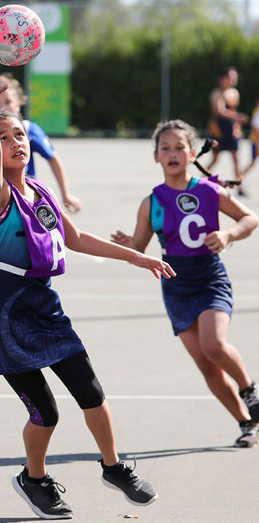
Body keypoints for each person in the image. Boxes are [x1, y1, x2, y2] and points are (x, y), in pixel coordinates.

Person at [0, 64, 175, 520]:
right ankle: (34, 478)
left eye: (20, 136)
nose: (16, 143)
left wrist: (137, 257)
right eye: (4, 138)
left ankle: (114, 466)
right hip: (5, 310)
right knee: (46, 411)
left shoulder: (41, 191)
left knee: (91, 390)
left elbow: (77, 237)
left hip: (43, 303)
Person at [112, 119, 259, 449]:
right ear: (156, 157)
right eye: (165, 148)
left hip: (209, 279)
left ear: (192, 153)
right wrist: (127, 245)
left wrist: (227, 234)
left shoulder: (209, 190)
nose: (173, 153)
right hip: (176, 287)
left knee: (213, 343)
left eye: (180, 147)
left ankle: (249, 390)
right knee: (207, 367)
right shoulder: (152, 203)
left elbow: (250, 218)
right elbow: (139, 248)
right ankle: (247, 423)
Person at [0, 74, 81, 213]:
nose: (2, 107)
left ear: (18, 104)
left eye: (8, 101)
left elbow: (52, 158)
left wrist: (65, 194)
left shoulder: (28, 129)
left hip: (26, 199)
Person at [206, 66, 249, 195]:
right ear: (222, 79)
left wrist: (238, 128)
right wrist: (238, 117)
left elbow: (233, 111)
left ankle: (240, 186)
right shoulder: (217, 93)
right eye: (230, 78)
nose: (232, 80)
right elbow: (219, 111)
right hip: (219, 130)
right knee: (215, 159)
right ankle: (200, 179)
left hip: (231, 130)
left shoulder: (234, 93)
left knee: (236, 158)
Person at [242, 93, 259, 177]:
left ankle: (240, 176)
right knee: (252, 162)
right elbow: (256, 128)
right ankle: (240, 177)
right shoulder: (257, 112)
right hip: (256, 141)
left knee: (252, 163)